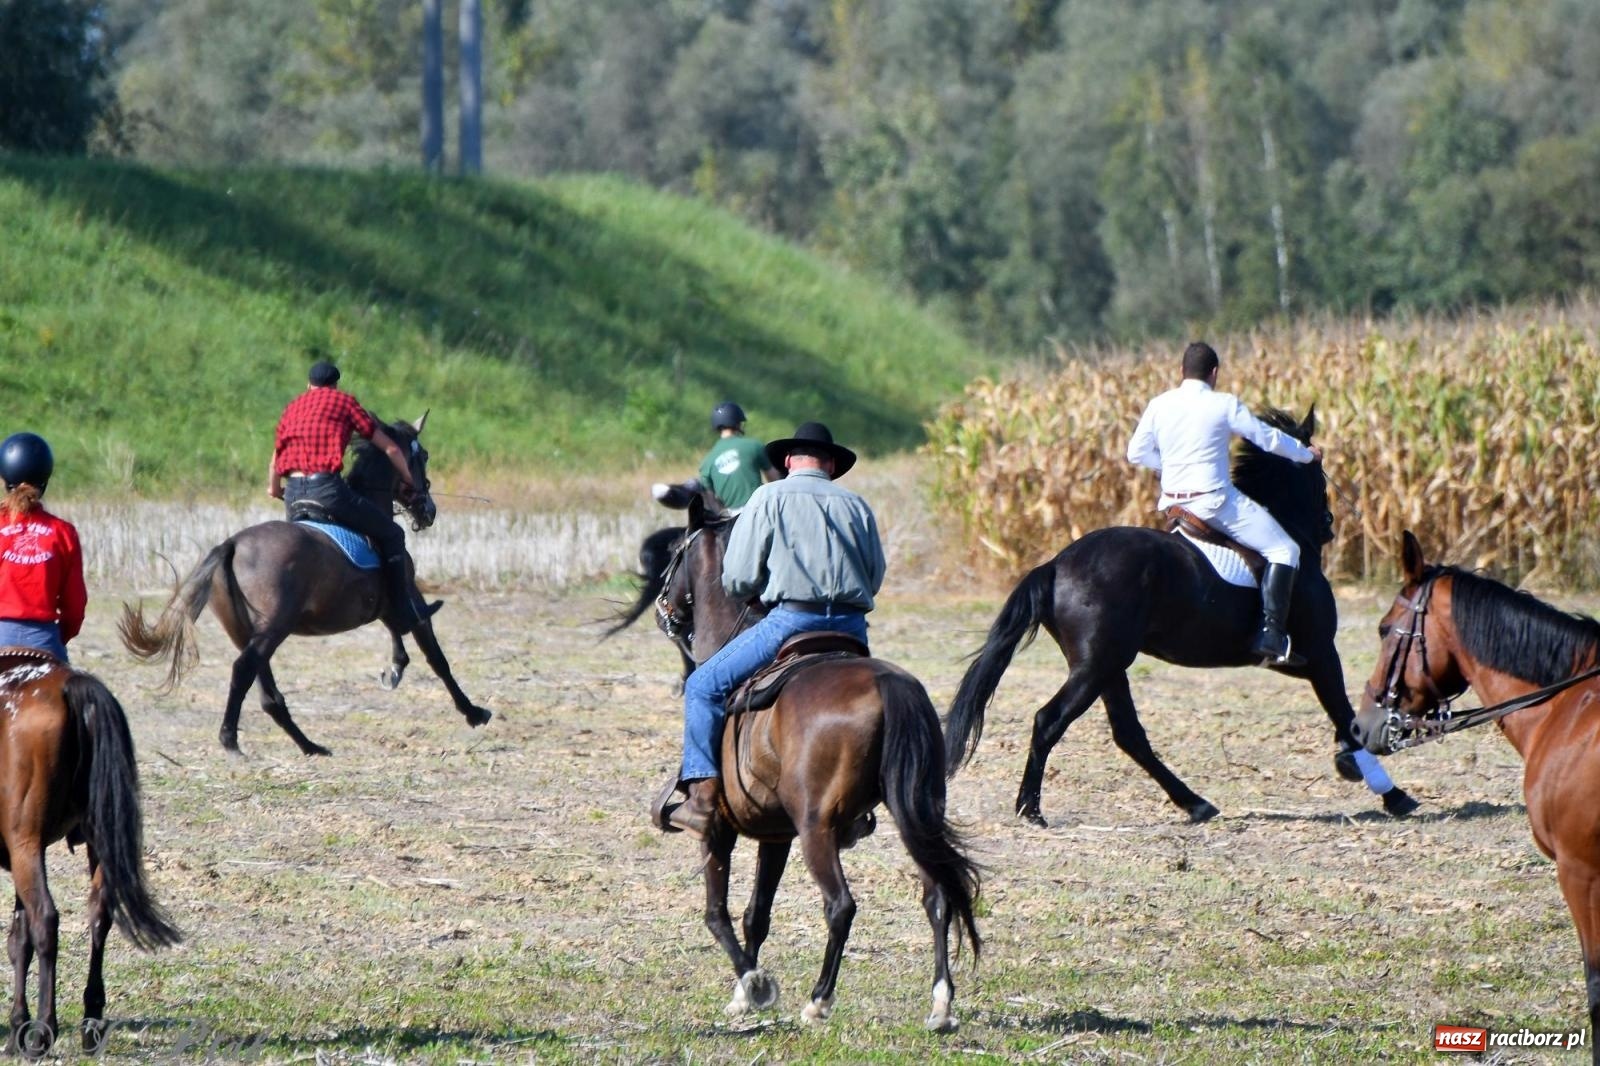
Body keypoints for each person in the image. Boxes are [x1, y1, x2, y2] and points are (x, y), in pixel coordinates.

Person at [655, 421, 886, 838]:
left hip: (791, 621)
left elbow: (738, 577)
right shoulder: (856, 504)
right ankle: (857, 806)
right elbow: (874, 577)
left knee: (703, 686)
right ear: (831, 465)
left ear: (788, 462)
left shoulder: (768, 497)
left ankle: (702, 799)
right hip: (852, 629)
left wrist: (759, 587)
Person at [1126, 341, 1323, 666]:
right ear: (1214, 373)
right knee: (1285, 550)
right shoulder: (1223, 404)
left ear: (1181, 372)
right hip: (1215, 503)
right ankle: (1272, 635)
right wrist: (1305, 454)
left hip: (1175, 507)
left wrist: (1168, 465)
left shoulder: (1159, 404)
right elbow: (1266, 438)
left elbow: (1135, 453)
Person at [269, 360, 428, 633]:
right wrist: (410, 480)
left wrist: (275, 489)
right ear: (335, 385)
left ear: (309, 385)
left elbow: (275, 463)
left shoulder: (292, 408)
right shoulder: (343, 403)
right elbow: (390, 449)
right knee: (392, 535)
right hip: (327, 491)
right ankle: (401, 610)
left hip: (294, 497)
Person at [0, 433, 86, 662]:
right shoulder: (63, 532)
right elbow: (75, 607)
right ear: (45, 480)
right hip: (45, 640)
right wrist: (58, 639)